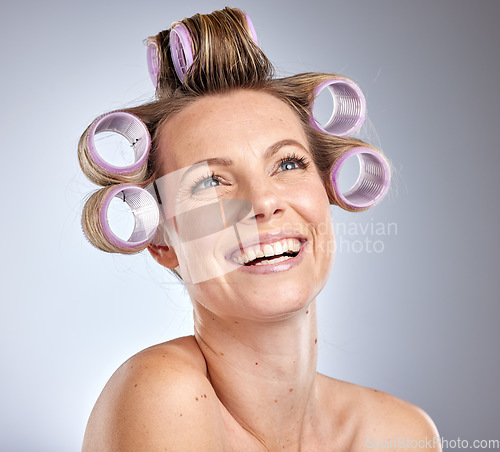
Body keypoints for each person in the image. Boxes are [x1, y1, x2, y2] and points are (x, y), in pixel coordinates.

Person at [79, 7, 441, 451]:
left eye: (288, 163)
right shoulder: (161, 394)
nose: (265, 202)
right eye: (210, 182)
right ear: (161, 241)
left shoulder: (402, 433)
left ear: (327, 192)